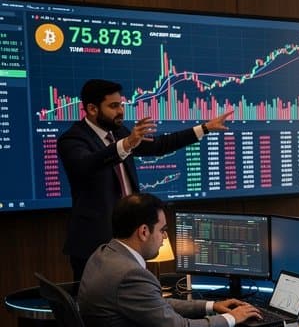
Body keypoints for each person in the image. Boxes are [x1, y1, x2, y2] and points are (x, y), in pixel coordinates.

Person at [58, 78, 234, 280]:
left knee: (130, 300)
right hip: (94, 242)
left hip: (129, 240)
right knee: (96, 305)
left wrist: (204, 128)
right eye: (113, 106)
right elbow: (87, 164)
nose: (121, 111)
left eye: (121, 105)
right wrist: (126, 144)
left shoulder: (119, 132)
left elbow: (158, 146)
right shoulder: (73, 139)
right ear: (92, 109)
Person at [77, 193, 261, 327]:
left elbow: (154, 304)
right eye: (162, 230)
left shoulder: (103, 254)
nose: (165, 237)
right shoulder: (130, 275)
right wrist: (231, 318)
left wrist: (209, 306)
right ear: (143, 231)